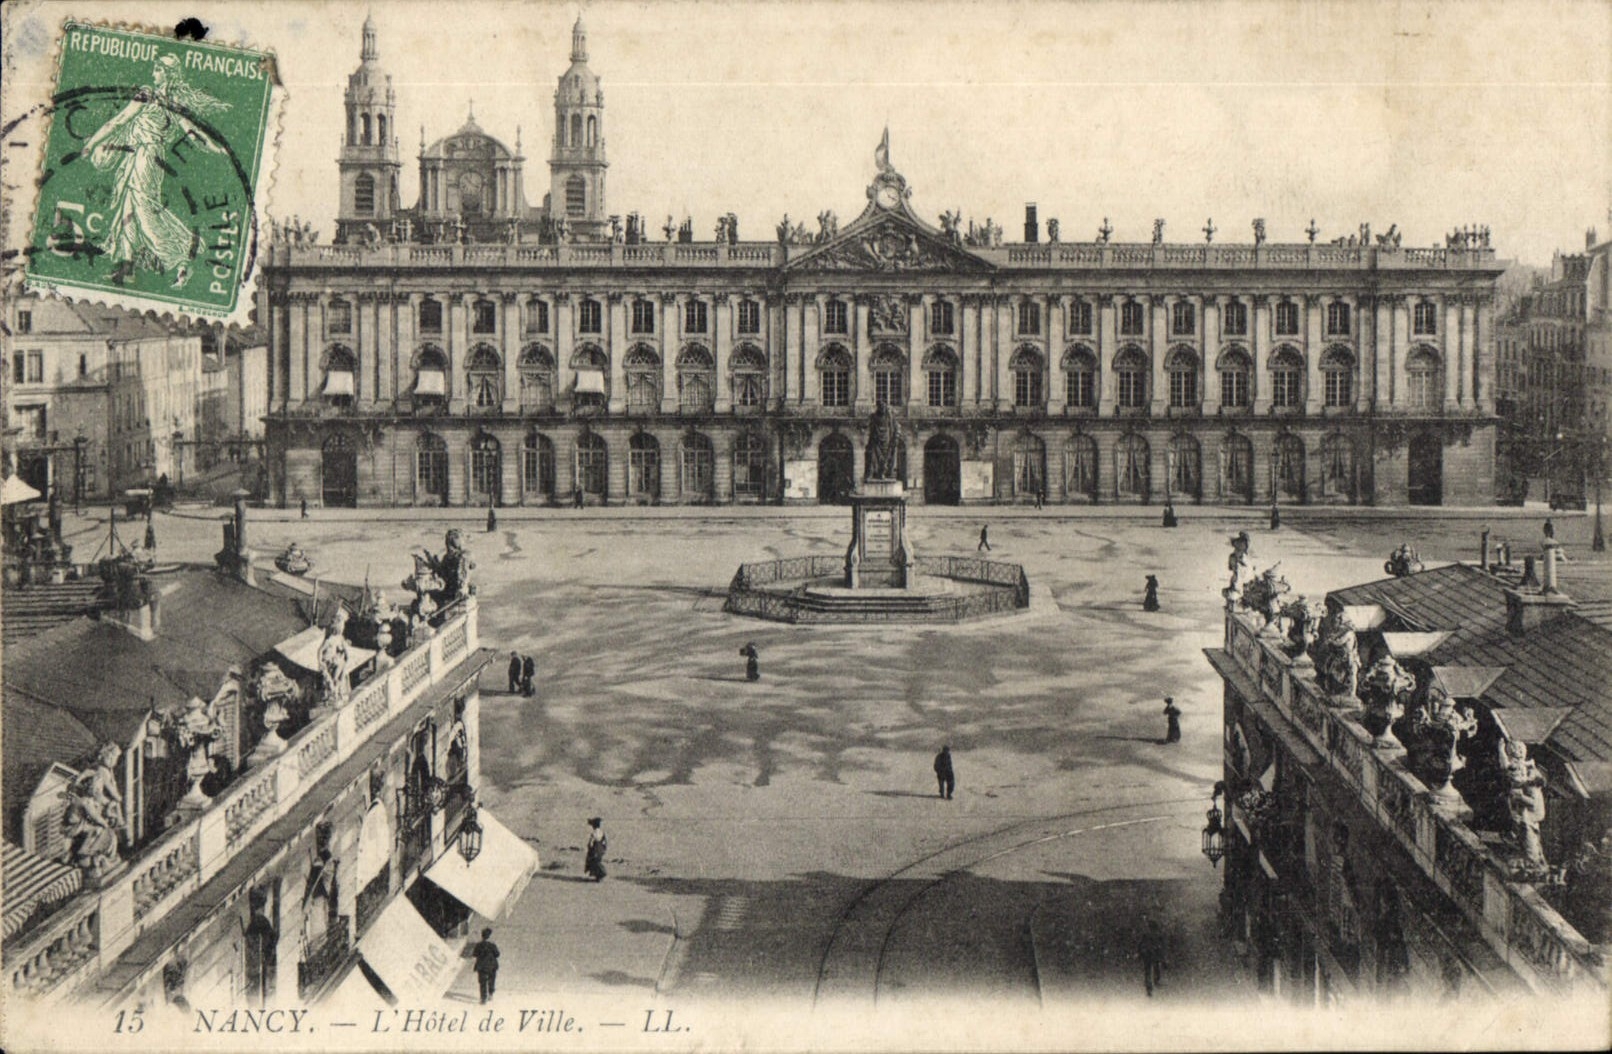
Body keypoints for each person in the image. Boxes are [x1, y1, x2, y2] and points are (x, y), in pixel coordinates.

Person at [470, 927, 500, 1004]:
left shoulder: (479, 945)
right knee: (492, 980)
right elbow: (497, 954)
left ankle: (483, 998)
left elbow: (475, 954)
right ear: (489, 936)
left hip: (482, 966)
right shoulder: (492, 945)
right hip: (492, 965)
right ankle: (491, 994)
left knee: (482, 982)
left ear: (482, 936)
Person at [1138, 917, 1166, 997]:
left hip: (1147, 954)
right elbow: (1162, 946)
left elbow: (1141, 944)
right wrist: (1162, 957)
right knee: (1156, 968)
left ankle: (1149, 988)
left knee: (1147, 971)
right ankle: (1156, 981)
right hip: (1155, 954)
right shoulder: (1159, 935)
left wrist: (1140, 953)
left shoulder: (1146, 935)